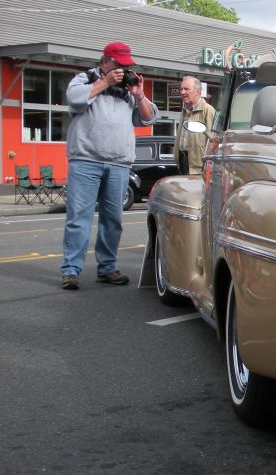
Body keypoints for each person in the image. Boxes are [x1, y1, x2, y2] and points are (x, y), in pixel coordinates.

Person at [60, 42, 159, 290]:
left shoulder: (128, 89)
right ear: (106, 62)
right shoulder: (86, 78)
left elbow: (148, 117)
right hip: (86, 160)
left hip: (118, 164)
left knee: (112, 220)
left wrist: (139, 95)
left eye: (127, 66)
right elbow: (73, 98)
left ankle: (106, 268)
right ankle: (71, 270)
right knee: (78, 219)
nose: (124, 70)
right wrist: (105, 83)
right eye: (120, 66)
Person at [175, 76, 216, 175]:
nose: (182, 92)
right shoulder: (185, 110)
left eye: (186, 89)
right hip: (183, 163)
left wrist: (208, 167)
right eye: (181, 89)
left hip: (199, 168)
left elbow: (214, 141)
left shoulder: (207, 110)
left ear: (197, 92)